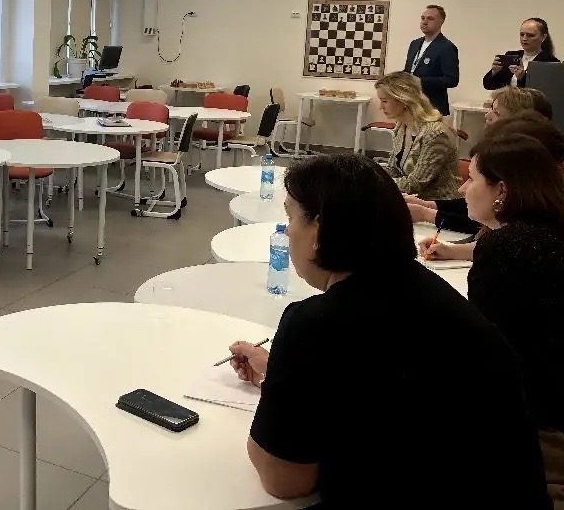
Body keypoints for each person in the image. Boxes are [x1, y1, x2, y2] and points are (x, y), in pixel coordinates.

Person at [226, 154, 550, 508]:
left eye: (291, 217)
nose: (288, 231)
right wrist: (281, 375)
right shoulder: (434, 296)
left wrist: (282, 393)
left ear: (318, 231)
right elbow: (389, 393)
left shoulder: (314, 324)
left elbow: (284, 479)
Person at [462, 132, 564, 504]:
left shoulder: (507, 248)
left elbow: (485, 353)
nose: (463, 189)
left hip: (534, 428)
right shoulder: (547, 234)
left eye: (472, 178)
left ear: (501, 190)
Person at [413, 112, 564, 262]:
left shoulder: (523, 243)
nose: (462, 189)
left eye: (471, 179)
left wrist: (425, 213)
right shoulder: (536, 225)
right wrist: (453, 251)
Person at [375, 71, 460, 200]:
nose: (380, 107)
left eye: (384, 101)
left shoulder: (435, 133)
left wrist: (374, 181)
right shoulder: (401, 126)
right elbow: (394, 169)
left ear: (403, 99)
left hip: (439, 203)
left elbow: (415, 185)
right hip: (414, 199)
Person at [403, 4, 459, 116]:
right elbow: (410, 70)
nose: (424, 22)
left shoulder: (446, 47)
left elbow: (452, 80)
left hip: (432, 107)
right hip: (411, 104)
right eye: (423, 18)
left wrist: (421, 81)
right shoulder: (415, 44)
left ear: (441, 22)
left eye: (430, 19)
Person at [484, 17, 559, 90]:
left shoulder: (551, 62)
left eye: (530, 35)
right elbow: (488, 85)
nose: (524, 38)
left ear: (543, 37)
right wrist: (494, 71)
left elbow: (544, 91)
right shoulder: (511, 55)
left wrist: (522, 77)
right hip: (507, 98)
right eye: (522, 34)